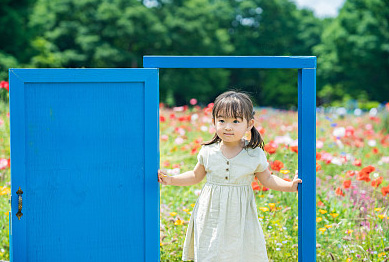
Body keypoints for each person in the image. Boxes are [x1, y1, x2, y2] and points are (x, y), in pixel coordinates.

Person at [158, 90, 302, 262]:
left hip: (240, 215)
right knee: (211, 251)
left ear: (249, 124)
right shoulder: (208, 151)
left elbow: (268, 179)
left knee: (239, 252)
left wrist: (290, 186)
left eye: (235, 121)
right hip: (211, 213)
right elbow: (196, 175)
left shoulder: (254, 154)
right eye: (222, 120)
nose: (228, 126)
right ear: (214, 122)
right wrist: (171, 179)